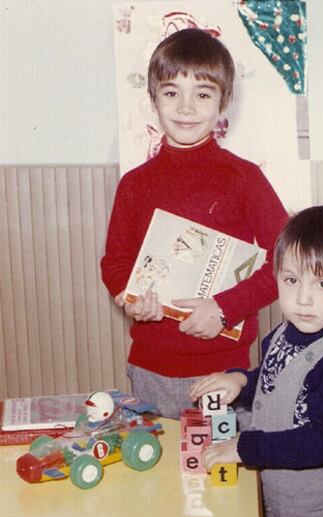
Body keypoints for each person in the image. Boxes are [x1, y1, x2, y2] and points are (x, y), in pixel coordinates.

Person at [101, 28, 287, 419]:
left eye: (202, 94)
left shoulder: (244, 177)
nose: (186, 108)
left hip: (224, 371)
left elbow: (285, 261)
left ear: (223, 101)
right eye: (171, 92)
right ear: (153, 99)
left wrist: (223, 308)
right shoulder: (134, 184)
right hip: (149, 370)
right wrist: (131, 298)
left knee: (222, 476)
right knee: (155, 475)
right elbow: (115, 264)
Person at [190, 205, 323, 517]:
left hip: (314, 503)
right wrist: (241, 379)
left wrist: (244, 447)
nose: (304, 299)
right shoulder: (281, 335)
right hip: (275, 495)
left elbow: (322, 440)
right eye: (292, 280)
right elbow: (274, 380)